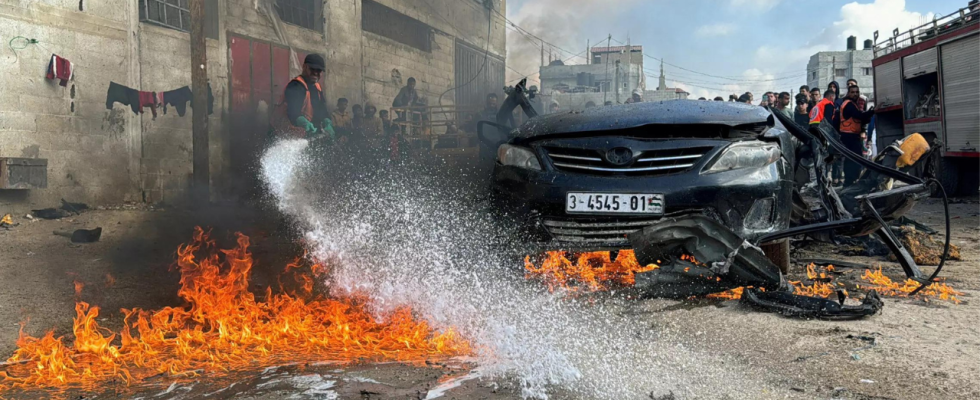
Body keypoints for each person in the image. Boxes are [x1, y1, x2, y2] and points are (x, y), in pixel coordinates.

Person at [272, 54, 333, 139]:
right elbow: (293, 111)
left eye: (319, 70)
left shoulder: (317, 88)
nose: (315, 73)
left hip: (304, 135)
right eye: (312, 69)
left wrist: (327, 120)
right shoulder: (296, 86)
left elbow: (321, 108)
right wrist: (303, 122)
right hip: (284, 136)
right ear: (304, 67)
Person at [838, 85, 875, 186]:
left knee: (852, 159)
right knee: (854, 159)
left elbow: (860, 118)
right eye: (853, 92)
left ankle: (851, 180)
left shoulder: (852, 104)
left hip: (852, 135)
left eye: (857, 92)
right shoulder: (849, 104)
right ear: (848, 93)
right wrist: (872, 112)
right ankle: (850, 181)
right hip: (849, 136)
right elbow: (859, 116)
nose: (855, 94)